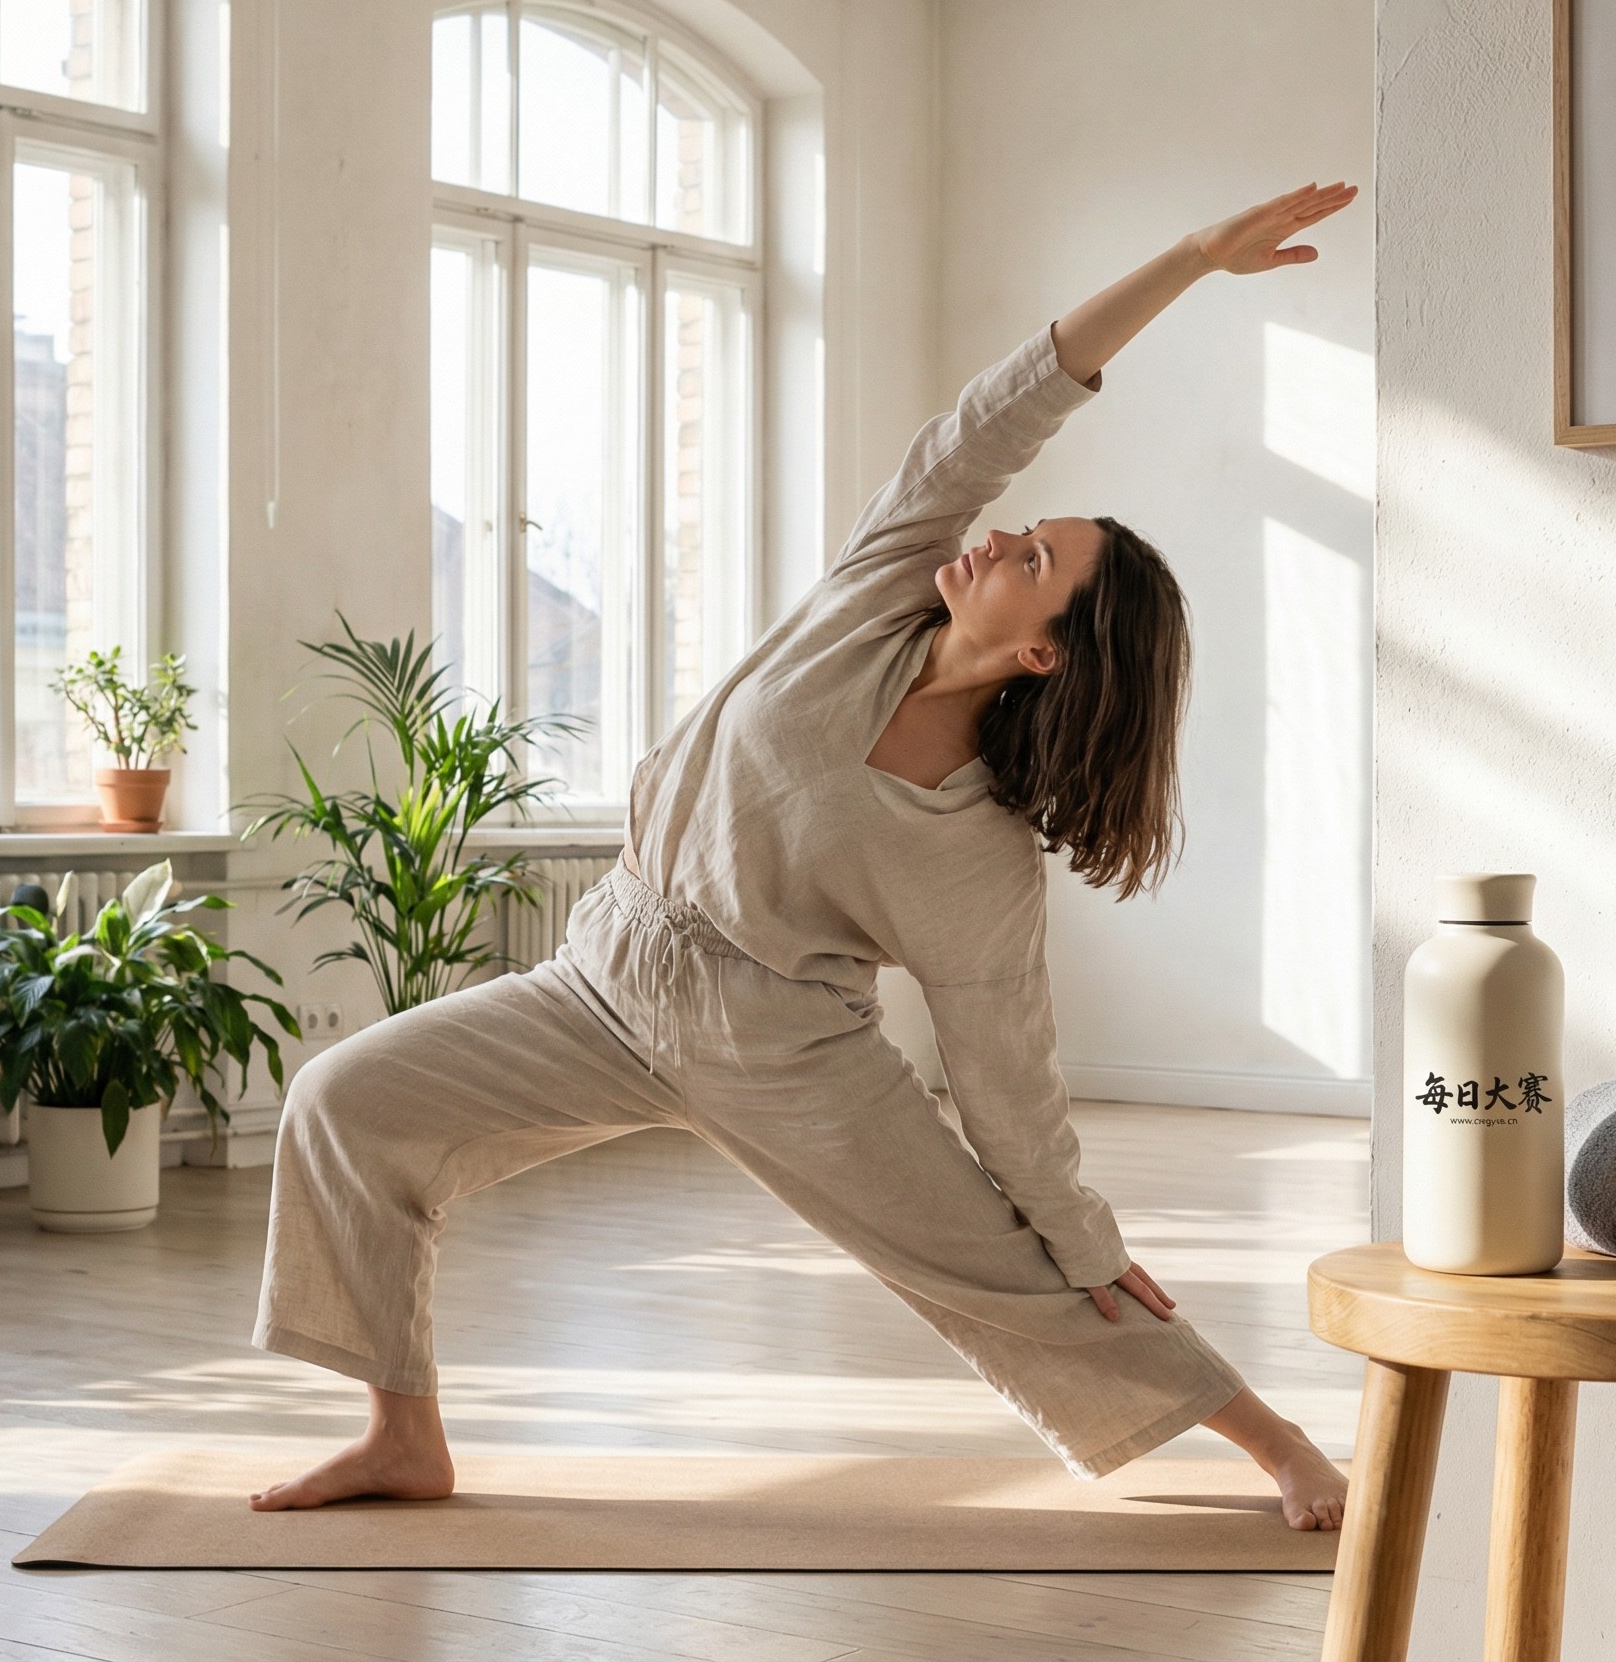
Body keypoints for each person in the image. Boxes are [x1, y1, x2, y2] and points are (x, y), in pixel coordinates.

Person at [249, 180, 1363, 1529]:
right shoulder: (879, 591)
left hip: (783, 1050)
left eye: (1034, 557)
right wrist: (1189, 255)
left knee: (1009, 1268)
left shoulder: (977, 852)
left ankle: (1281, 1445)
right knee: (343, 1103)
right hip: (603, 978)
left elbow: (1006, 1079)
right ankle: (400, 1436)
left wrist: (1087, 1243)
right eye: (1026, 526)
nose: (1002, 536)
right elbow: (1004, 408)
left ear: (1042, 649)